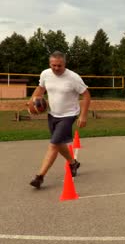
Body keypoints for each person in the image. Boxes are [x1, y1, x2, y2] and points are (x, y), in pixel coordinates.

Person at [29, 51, 91, 189]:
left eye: (59, 65)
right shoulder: (45, 74)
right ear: (49, 64)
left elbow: (86, 95)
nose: (56, 68)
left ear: (65, 64)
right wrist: (31, 102)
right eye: (54, 65)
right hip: (52, 114)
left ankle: (40, 177)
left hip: (68, 115)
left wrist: (83, 115)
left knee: (53, 144)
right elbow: (40, 89)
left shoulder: (73, 78)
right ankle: (73, 163)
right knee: (59, 143)